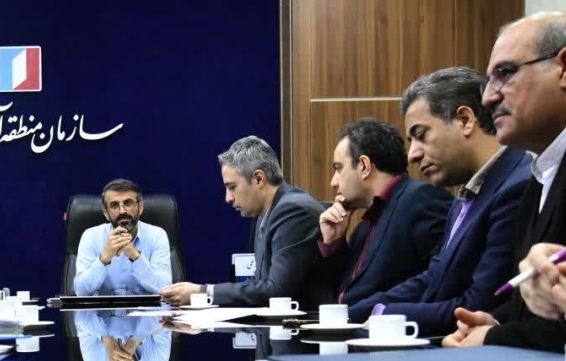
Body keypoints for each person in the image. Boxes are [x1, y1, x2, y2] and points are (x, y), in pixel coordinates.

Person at [445, 12, 566, 350]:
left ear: (565, 66)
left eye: (504, 74)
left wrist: (494, 338)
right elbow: (543, 300)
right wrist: (498, 321)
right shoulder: (545, 164)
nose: (488, 98)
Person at [347, 68, 531, 335]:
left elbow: (479, 305)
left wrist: (386, 315)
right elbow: (435, 276)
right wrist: (357, 311)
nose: (413, 155)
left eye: (421, 135)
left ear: (465, 120)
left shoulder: (516, 186)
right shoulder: (464, 197)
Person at [160, 135, 334, 309]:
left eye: (232, 187)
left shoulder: (293, 211)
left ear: (258, 179)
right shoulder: (264, 213)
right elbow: (259, 284)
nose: (228, 198)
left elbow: (277, 291)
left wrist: (204, 292)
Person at [319, 119, 453, 306]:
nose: (333, 182)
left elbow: (441, 280)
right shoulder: (364, 227)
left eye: (339, 169)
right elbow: (343, 295)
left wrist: (373, 310)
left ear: (364, 166)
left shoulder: (422, 200)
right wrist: (334, 244)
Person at [73, 179, 172, 296]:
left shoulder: (157, 235)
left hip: (145, 307)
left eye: (128, 203)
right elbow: (81, 291)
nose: (122, 211)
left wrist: (135, 255)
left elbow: (164, 289)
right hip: (104, 307)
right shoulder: (91, 236)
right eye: (114, 205)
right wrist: (104, 258)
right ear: (106, 213)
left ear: (140, 208)